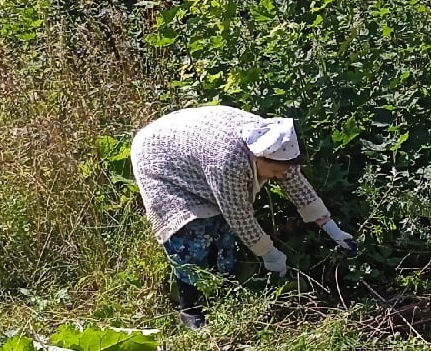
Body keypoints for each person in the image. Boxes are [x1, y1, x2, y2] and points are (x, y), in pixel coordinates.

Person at [130, 105, 358, 329]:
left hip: (196, 155)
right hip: (161, 158)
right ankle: (190, 307)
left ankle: (221, 290)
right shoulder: (230, 161)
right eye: (275, 172)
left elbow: (296, 184)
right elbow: (239, 215)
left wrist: (331, 228)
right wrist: (269, 253)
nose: (278, 176)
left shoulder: (279, 144)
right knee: (192, 237)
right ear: (259, 160)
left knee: (224, 237)